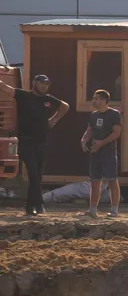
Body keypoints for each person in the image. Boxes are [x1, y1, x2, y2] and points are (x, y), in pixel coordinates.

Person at [12, 72, 67, 216]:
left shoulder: (48, 100)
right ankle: (39, 203)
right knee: (33, 174)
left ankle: (31, 207)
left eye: (47, 83)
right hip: (26, 142)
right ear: (34, 83)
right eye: (42, 83)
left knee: (38, 176)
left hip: (42, 143)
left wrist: (54, 120)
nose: (45, 86)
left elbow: (65, 106)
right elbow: (5, 88)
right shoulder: (23, 95)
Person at [82, 88, 122, 217]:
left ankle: (114, 209)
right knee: (94, 181)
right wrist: (84, 140)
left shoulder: (114, 114)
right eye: (93, 98)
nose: (93, 100)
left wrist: (102, 143)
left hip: (108, 152)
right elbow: (90, 130)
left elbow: (116, 133)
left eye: (96, 98)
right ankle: (92, 209)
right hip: (95, 152)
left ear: (104, 100)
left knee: (112, 180)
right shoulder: (94, 115)